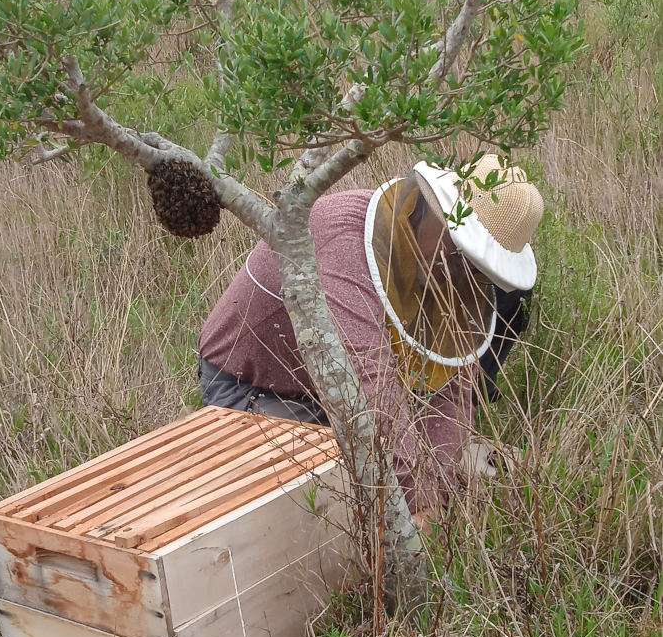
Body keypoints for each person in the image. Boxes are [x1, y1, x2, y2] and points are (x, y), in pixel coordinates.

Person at [198, 155, 543, 514]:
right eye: (458, 251)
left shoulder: (441, 265)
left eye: (475, 266)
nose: (455, 267)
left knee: (440, 471)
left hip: (340, 390)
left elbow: (454, 387)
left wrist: (438, 488)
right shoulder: (347, 243)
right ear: (434, 210)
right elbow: (373, 394)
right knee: (332, 497)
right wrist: (422, 509)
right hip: (255, 386)